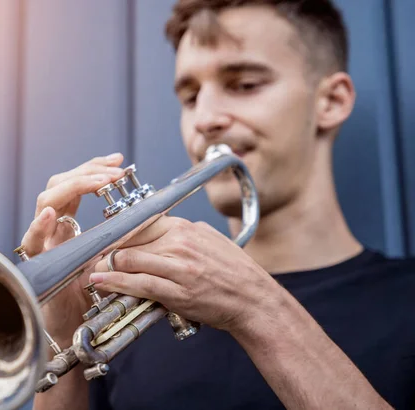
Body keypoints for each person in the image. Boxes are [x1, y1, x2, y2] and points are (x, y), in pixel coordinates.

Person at [24, 0, 415, 409]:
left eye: (244, 84)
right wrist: (63, 333)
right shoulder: (125, 325)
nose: (205, 119)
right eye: (191, 97)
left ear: (331, 101)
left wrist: (258, 307)